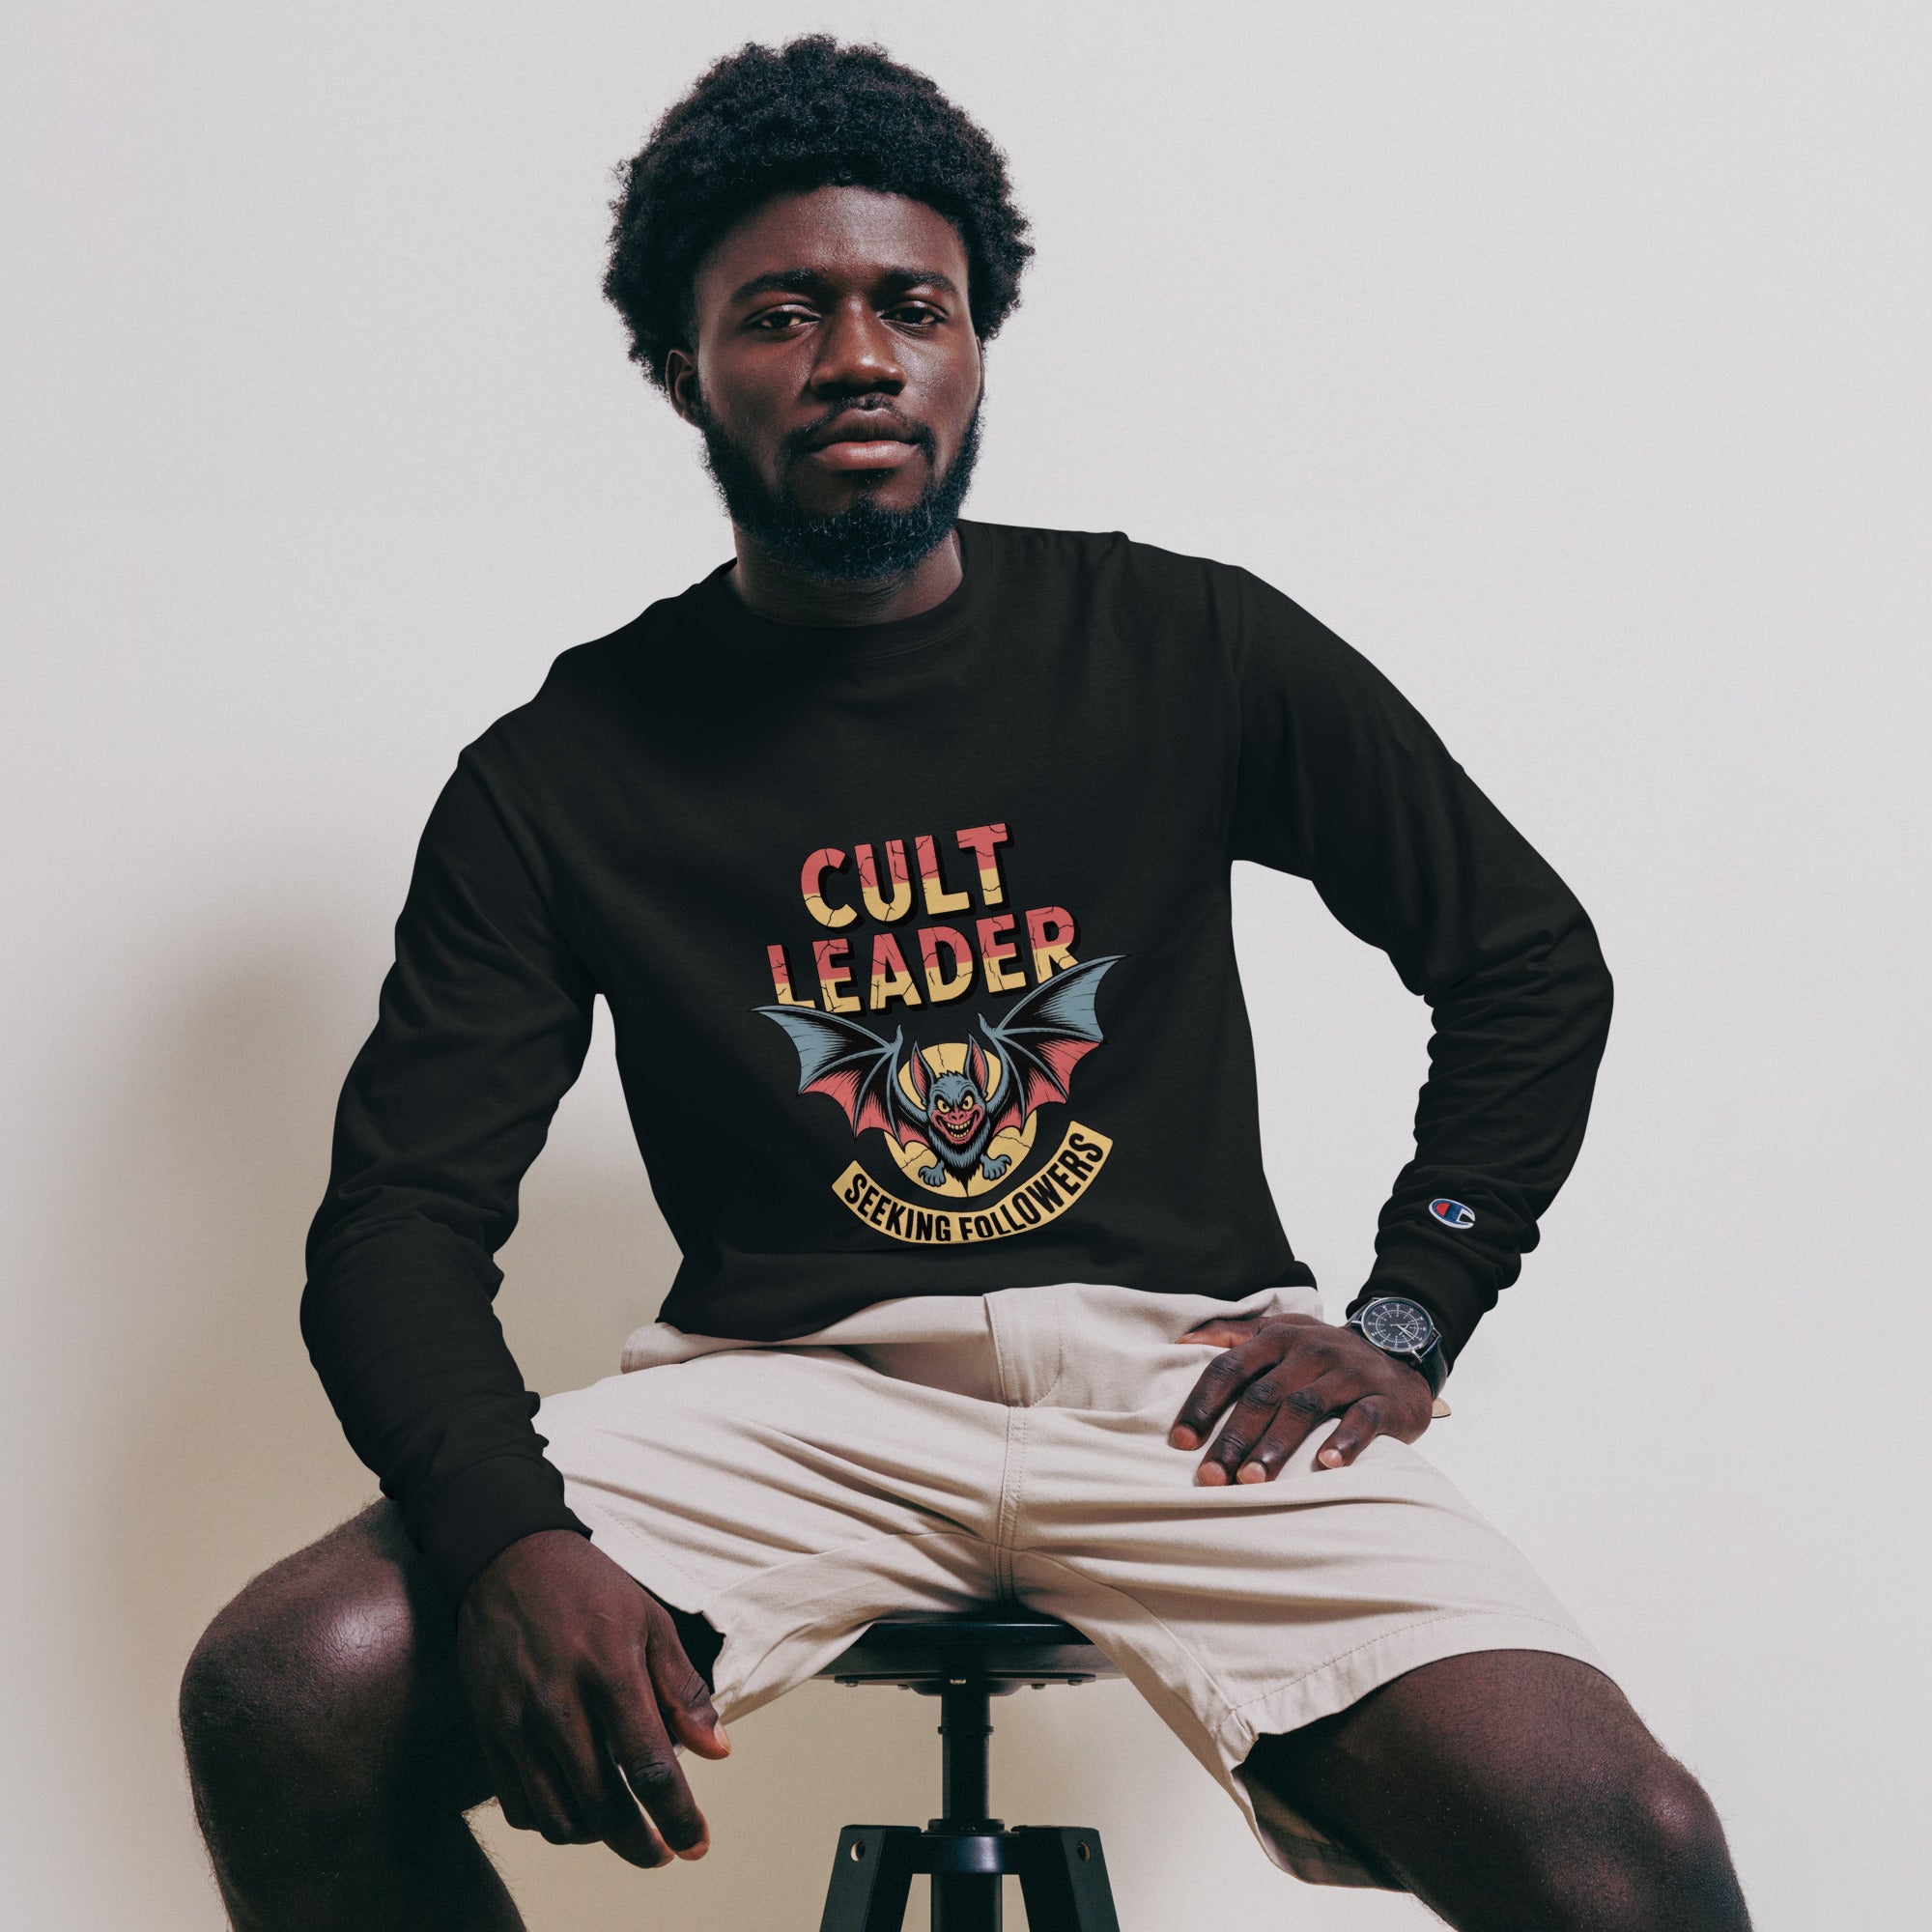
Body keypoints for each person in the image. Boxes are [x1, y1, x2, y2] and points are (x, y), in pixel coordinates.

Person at [179, 36, 1751, 1932]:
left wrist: (1413, 1307)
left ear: (973, 344)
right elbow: (398, 1225)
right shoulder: (563, 768)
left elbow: (1522, 958)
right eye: (782, 312)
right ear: (682, 367)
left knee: (1625, 1848)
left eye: (909, 306)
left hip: (1187, 1393)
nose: (858, 356)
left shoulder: (1184, 642)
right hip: (788, 1402)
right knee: (285, 1694)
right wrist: (509, 1533)